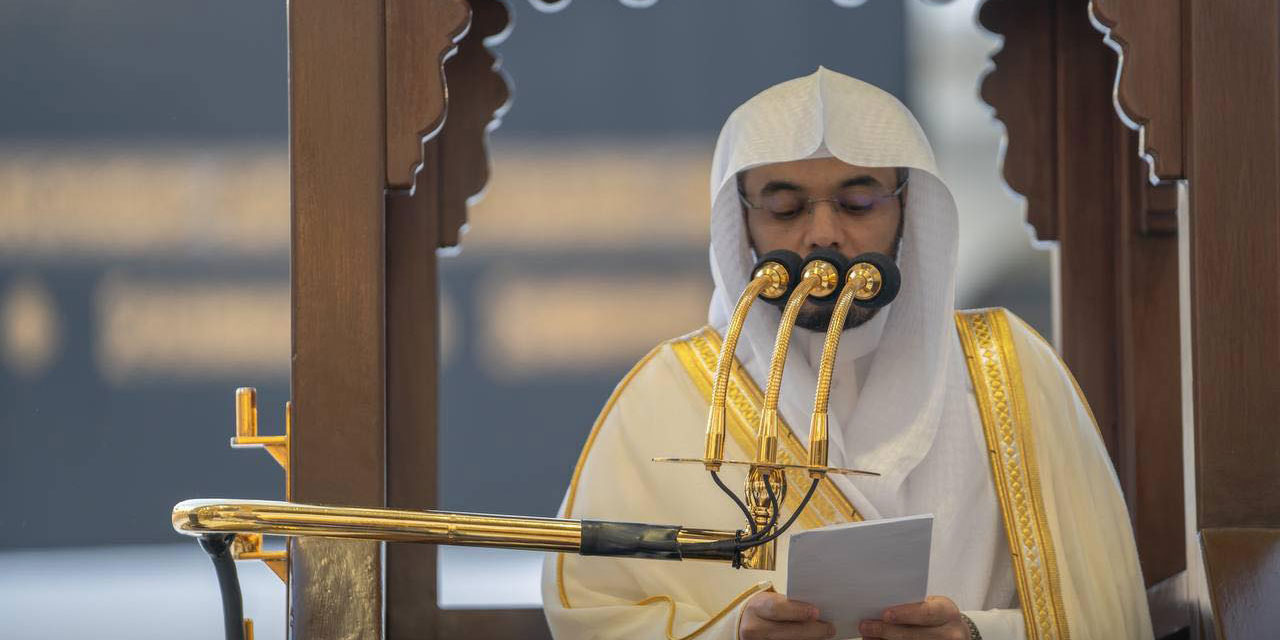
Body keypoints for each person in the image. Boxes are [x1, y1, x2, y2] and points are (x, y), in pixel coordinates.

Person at [541, 67, 1152, 640]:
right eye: (785, 207)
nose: (824, 233)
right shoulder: (665, 394)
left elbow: (1104, 613)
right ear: (741, 223)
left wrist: (975, 634)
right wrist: (732, 634)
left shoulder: (1011, 367)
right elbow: (593, 612)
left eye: (858, 204)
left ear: (908, 209)